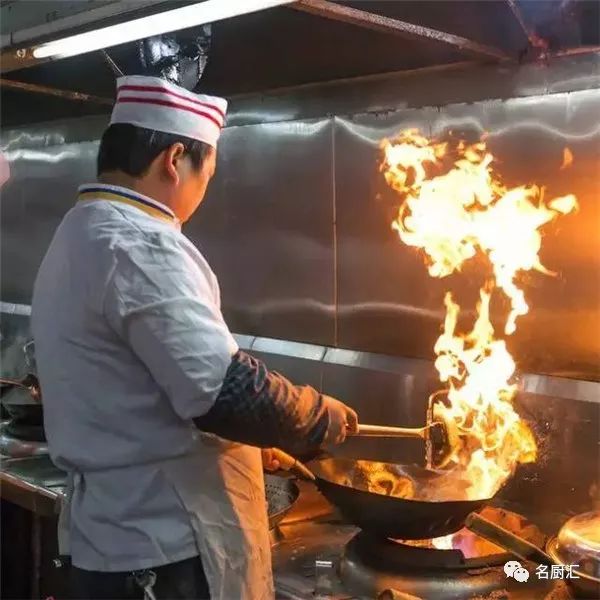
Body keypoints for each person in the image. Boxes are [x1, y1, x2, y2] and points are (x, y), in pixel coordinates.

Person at [31, 75, 358, 600]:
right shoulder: (139, 244)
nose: (203, 190)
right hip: (163, 555)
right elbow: (223, 393)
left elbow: (154, 387)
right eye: (206, 172)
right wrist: (317, 416)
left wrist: (259, 440)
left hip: (120, 539)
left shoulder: (81, 231)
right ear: (174, 158)